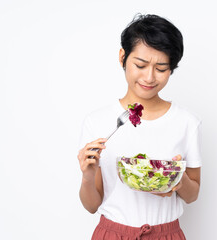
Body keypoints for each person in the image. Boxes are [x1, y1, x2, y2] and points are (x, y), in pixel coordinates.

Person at [77, 14, 202, 240]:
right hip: (113, 233)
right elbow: (91, 205)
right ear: (122, 57)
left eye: (161, 68)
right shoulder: (98, 122)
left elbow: (192, 195)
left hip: (166, 234)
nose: (149, 77)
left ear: (172, 68)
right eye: (140, 65)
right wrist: (87, 176)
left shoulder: (186, 122)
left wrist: (175, 179)